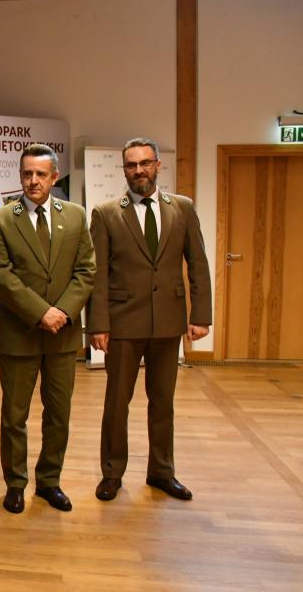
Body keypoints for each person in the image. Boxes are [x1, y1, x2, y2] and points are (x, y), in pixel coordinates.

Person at [88, 138, 212, 502]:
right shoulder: (106, 212)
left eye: (145, 163)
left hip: (169, 324)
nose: (138, 170)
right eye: (131, 165)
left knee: (163, 402)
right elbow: (97, 276)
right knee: (117, 402)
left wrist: (200, 315)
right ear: (123, 170)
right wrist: (98, 324)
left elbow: (199, 264)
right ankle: (112, 473)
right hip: (123, 323)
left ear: (158, 165)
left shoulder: (183, 209)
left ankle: (162, 472)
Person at [0, 144, 95, 514]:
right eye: (26, 174)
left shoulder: (76, 217)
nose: (32, 181)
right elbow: (1, 276)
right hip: (21, 334)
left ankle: (50, 481)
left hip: (62, 335)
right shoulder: (1, 219)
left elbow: (86, 271)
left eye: (40, 174)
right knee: (14, 416)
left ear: (55, 177)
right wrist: (41, 312)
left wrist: (61, 311)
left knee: (58, 412)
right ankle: (15, 483)